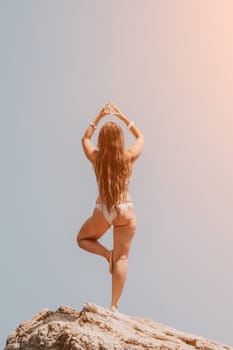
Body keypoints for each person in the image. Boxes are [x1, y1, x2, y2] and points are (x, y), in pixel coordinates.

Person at [77, 101, 145, 312]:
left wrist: (98, 117)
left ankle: (107, 254)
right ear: (120, 140)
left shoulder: (96, 158)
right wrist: (124, 118)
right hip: (125, 209)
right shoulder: (128, 157)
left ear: (102, 141)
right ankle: (114, 307)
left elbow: (85, 138)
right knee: (122, 257)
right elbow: (141, 137)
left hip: (104, 209)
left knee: (82, 239)